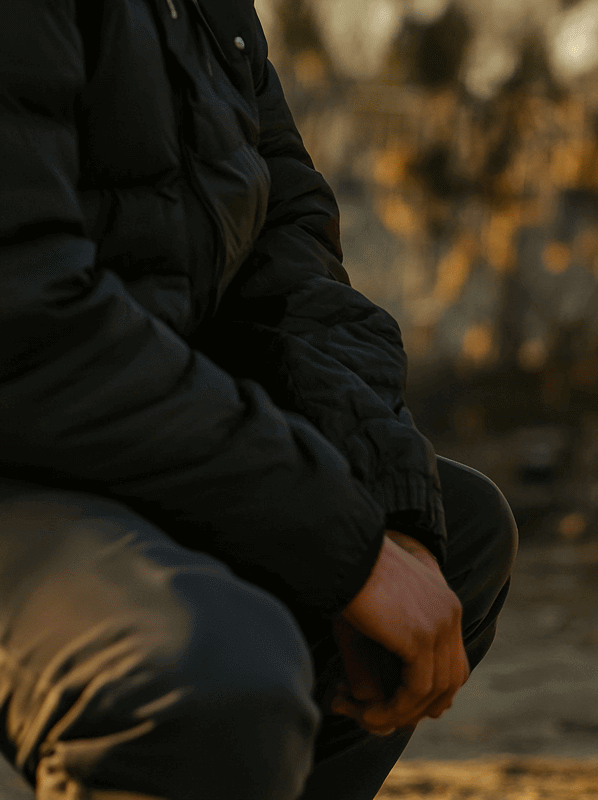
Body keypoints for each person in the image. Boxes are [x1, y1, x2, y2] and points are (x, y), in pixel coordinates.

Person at [0, 1, 517, 798]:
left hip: (101, 425)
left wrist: (383, 511)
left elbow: (288, 257)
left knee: (455, 534)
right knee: (207, 679)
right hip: (27, 429)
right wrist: (333, 540)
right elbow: (27, 319)